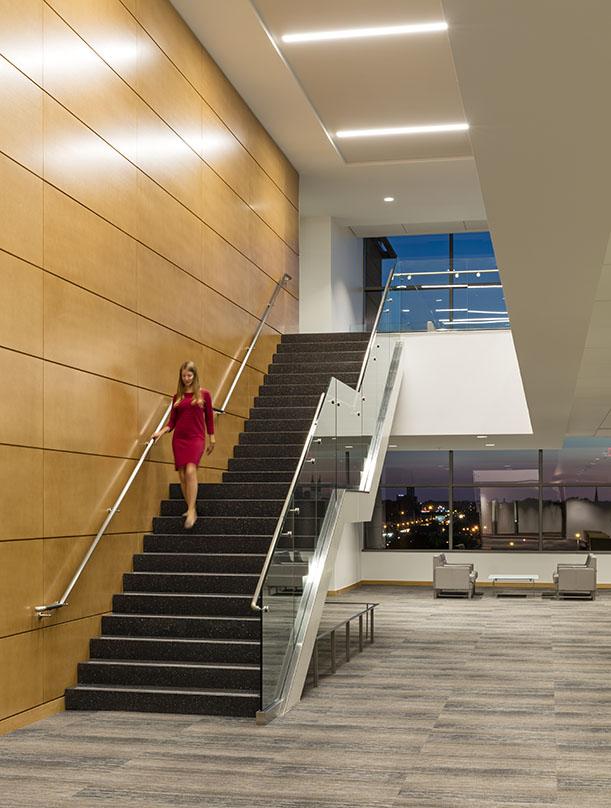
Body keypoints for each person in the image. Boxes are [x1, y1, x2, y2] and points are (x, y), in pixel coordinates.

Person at [152, 360, 215, 529]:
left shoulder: (204, 395)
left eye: (189, 375)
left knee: (190, 470)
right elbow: (172, 422)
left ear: (195, 375)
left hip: (196, 438)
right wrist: (161, 431)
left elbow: (209, 417)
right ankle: (190, 507)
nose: (186, 378)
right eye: (184, 375)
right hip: (179, 439)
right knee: (181, 475)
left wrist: (212, 438)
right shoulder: (177, 397)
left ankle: (192, 510)